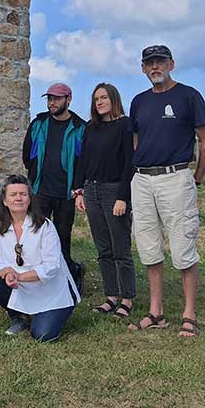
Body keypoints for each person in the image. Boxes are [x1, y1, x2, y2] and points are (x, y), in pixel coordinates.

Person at [129, 44, 205, 336]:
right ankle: (156, 312)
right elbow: (137, 141)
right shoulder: (139, 101)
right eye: (149, 63)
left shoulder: (188, 96)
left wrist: (197, 179)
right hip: (142, 180)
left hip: (175, 177)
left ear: (171, 64)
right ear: (143, 68)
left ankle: (189, 314)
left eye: (160, 62)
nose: (155, 67)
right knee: (149, 246)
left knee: (183, 246)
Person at [0, 175, 81, 341]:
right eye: (13, 194)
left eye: (23, 194)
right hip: (21, 287)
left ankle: (48, 314)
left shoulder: (44, 226)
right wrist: (6, 273)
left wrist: (20, 276)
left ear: (29, 199)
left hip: (51, 292)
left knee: (42, 335)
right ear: (4, 201)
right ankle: (20, 317)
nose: (18, 198)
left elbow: (52, 266)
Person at [74, 83, 136, 319]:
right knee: (103, 248)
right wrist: (79, 191)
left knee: (120, 248)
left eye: (104, 98)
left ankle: (127, 298)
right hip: (92, 190)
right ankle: (111, 296)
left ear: (114, 99)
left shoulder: (125, 125)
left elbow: (129, 163)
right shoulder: (91, 128)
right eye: (96, 98)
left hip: (114, 191)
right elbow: (84, 161)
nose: (99, 102)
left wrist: (122, 197)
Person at [22, 82, 86, 292]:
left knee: (62, 237)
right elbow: (27, 153)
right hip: (41, 190)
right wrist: (33, 175)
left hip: (67, 193)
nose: (52, 102)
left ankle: (70, 275)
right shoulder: (39, 123)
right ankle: (39, 278)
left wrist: (78, 189)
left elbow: (83, 161)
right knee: (37, 235)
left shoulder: (79, 127)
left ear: (68, 100)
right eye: (50, 98)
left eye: (57, 98)